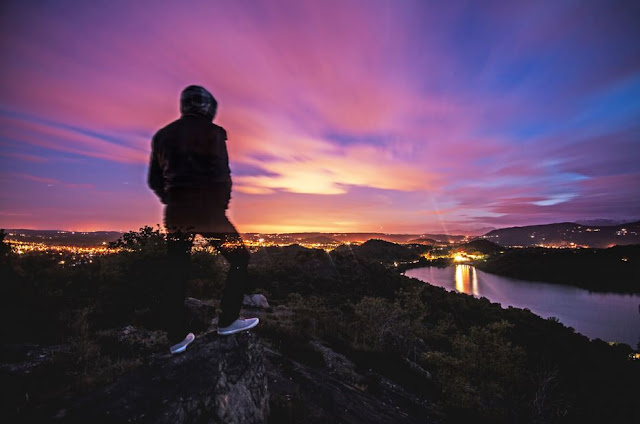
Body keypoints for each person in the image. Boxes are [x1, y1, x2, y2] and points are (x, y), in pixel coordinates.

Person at [148, 85, 259, 354]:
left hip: (177, 214)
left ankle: (176, 339)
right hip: (208, 212)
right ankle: (228, 320)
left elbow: (154, 180)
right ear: (208, 106)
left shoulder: (162, 136)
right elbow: (222, 174)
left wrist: (170, 198)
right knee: (240, 259)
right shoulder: (213, 133)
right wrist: (220, 205)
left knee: (177, 271)